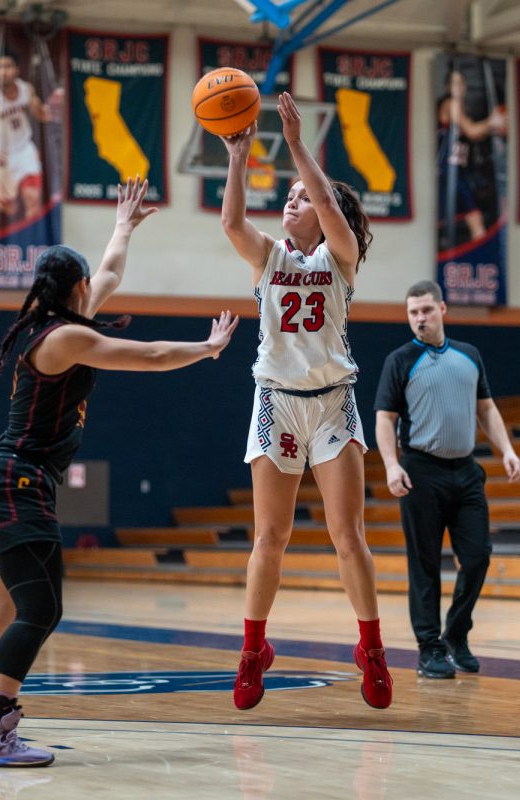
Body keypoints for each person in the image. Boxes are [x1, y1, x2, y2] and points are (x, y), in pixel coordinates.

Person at [0, 178, 239, 767]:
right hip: (17, 487)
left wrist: (123, 227)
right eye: (90, 285)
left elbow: (109, 274)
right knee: (41, 612)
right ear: (76, 289)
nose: (100, 289)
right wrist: (207, 347)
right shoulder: (64, 339)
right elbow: (150, 356)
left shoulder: (57, 325)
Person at [219, 92, 392, 711]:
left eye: (301, 199)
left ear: (323, 214)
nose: (291, 203)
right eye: (287, 197)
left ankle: (370, 647)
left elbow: (325, 202)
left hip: (333, 403)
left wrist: (295, 145)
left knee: (348, 535)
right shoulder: (268, 258)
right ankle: (252, 649)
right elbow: (233, 224)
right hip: (278, 403)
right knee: (272, 536)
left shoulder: (339, 258)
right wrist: (239, 157)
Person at [372, 280, 520, 679]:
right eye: (412, 313)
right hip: (421, 471)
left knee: (477, 557)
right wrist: (391, 465)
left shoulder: (469, 355)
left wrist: (506, 449)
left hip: (466, 470)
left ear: (442, 309)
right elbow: (384, 419)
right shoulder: (400, 360)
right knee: (424, 565)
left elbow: (486, 409)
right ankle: (429, 649)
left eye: (425, 310)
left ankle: (456, 633)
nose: (419, 318)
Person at [0, 52, 59, 222]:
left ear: (16, 70)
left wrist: (53, 109)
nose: (3, 72)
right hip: (0, 155)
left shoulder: (26, 89)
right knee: (9, 206)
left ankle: (33, 243)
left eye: (7, 67)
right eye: (0, 67)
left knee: (33, 201)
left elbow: (40, 113)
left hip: (24, 149)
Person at [437, 68, 506, 247]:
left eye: (460, 83)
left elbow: (476, 133)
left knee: (473, 217)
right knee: (463, 218)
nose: (457, 88)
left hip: (461, 170)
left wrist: (493, 127)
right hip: (447, 171)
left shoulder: (462, 108)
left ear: (465, 87)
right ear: (446, 86)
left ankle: (478, 254)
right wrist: (491, 122)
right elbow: (472, 131)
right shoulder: (450, 104)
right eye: (453, 83)